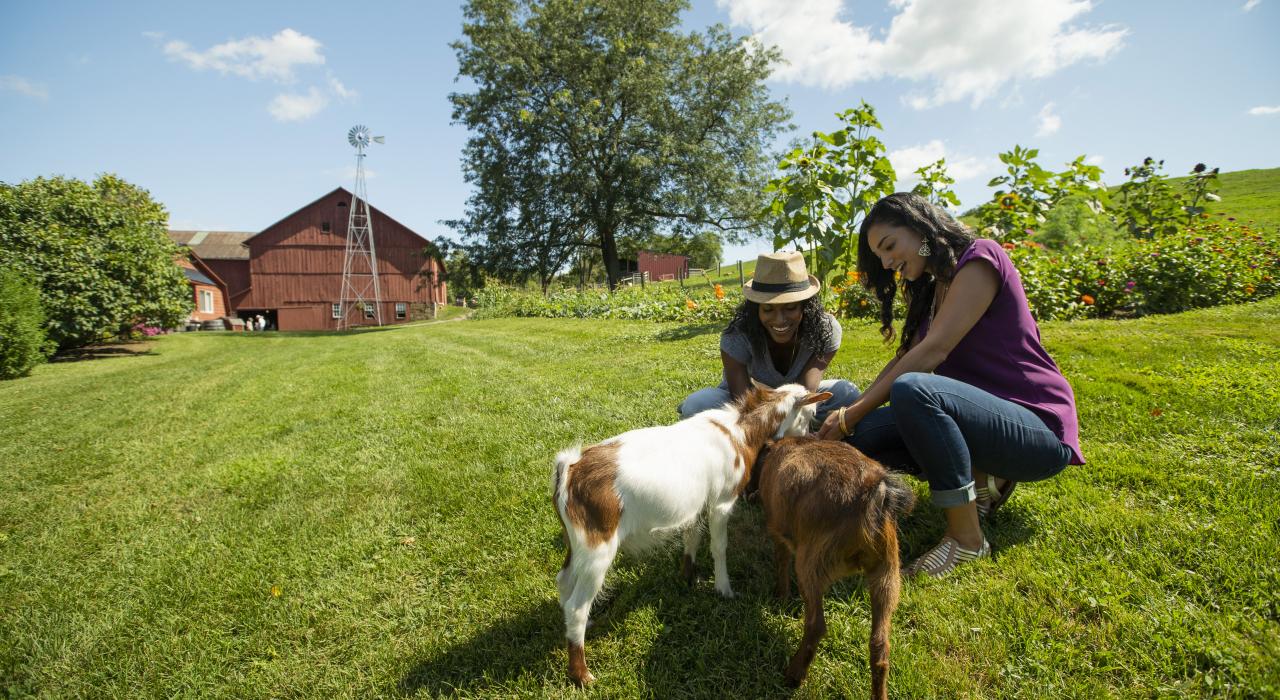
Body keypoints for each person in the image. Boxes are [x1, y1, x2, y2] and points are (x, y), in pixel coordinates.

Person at [817, 192, 1084, 578]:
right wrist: (851, 419)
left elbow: (933, 351)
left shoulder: (980, 258)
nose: (887, 263)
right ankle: (981, 474)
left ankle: (967, 540)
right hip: (981, 419)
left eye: (889, 246)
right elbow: (904, 357)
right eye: (879, 256)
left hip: (1037, 428)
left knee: (913, 390)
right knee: (863, 435)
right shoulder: (930, 289)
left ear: (921, 228)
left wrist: (851, 412)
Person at [678, 251, 859, 426]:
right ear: (755, 309)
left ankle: (799, 425)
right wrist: (773, 428)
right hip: (750, 402)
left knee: (847, 394)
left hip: (797, 399)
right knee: (698, 404)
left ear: (806, 306)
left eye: (790, 308)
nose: (779, 320)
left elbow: (806, 391)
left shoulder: (825, 330)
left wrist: (791, 419)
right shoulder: (737, 335)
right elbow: (744, 404)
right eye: (768, 309)